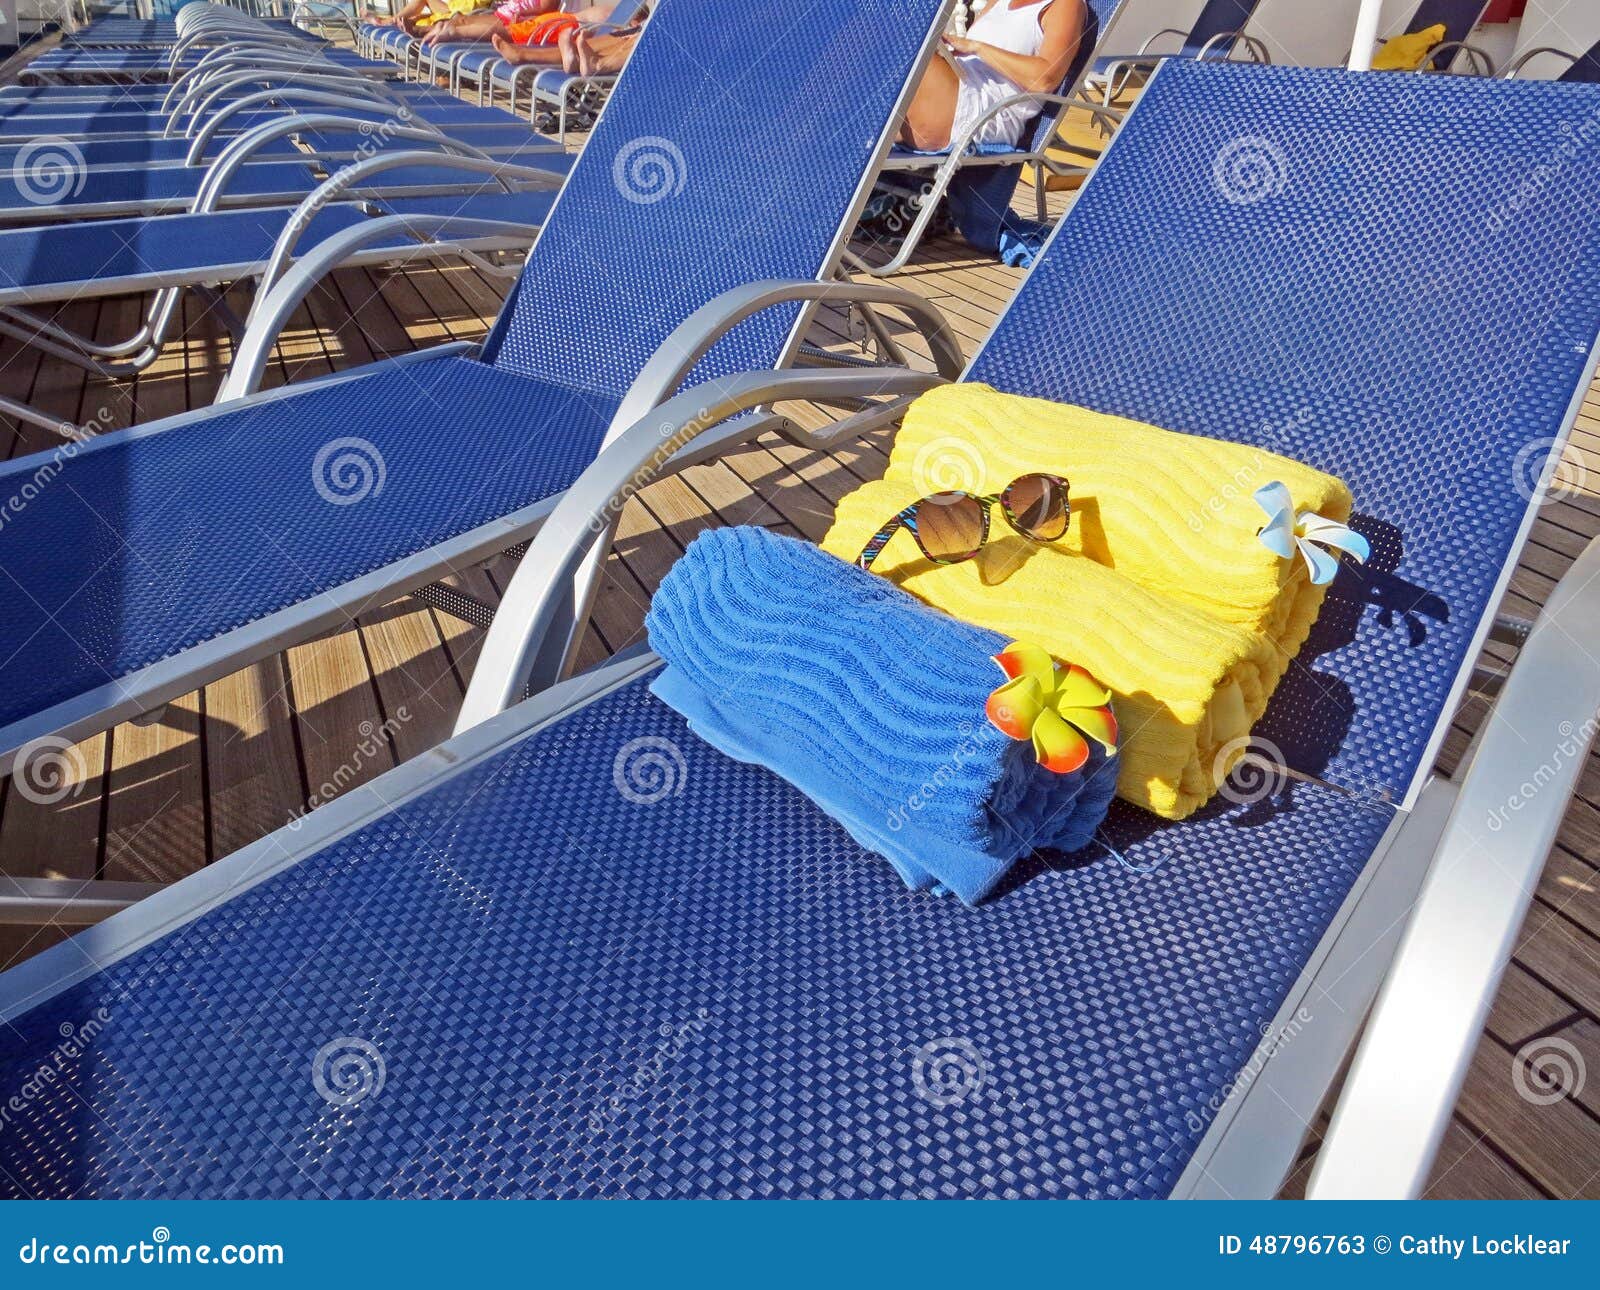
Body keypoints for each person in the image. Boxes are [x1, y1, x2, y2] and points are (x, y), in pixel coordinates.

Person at [901, 0, 1084, 151]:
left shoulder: (1065, 5)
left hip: (984, 112)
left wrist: (977, 47)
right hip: (958, 84)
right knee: (896, 41)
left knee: (906, 45)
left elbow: (1045, 78)